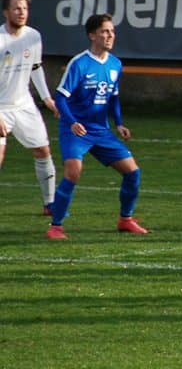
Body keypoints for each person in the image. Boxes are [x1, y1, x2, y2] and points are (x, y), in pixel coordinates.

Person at [46, 14, 146, 239]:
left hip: (101, 131)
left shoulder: (115, 64)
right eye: (104, 31)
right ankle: (56, 226)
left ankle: (126, 219)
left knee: (133, 172)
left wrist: (119, 123)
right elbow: (60, 98)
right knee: (73, 172)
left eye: (112, 31)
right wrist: (72, 122)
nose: (110, 35)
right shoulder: (79, 63)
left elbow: (114, 98)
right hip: (75, 130)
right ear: (92, 35)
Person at [0, 0, 58, 214]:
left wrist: (47, 99)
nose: (21, 12)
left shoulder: (33, 36)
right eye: (16, 8)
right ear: (6, 12)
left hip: (24, 104)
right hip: (1, 107)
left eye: (24, 8)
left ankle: (50, 203)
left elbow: (36, 67)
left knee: (43, 150)